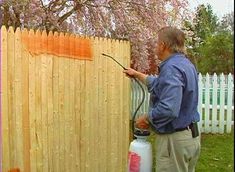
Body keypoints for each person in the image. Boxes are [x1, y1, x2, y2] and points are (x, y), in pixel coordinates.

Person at [124, 26, 201, 172]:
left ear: (163, 45)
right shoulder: (185, 64)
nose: (155, 46)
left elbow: (169, 108)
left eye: (156, 43)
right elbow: (161, 85)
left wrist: (147, 118)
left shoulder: (171, 68)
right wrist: (137, 74)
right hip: (190, 137)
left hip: (174, 140)